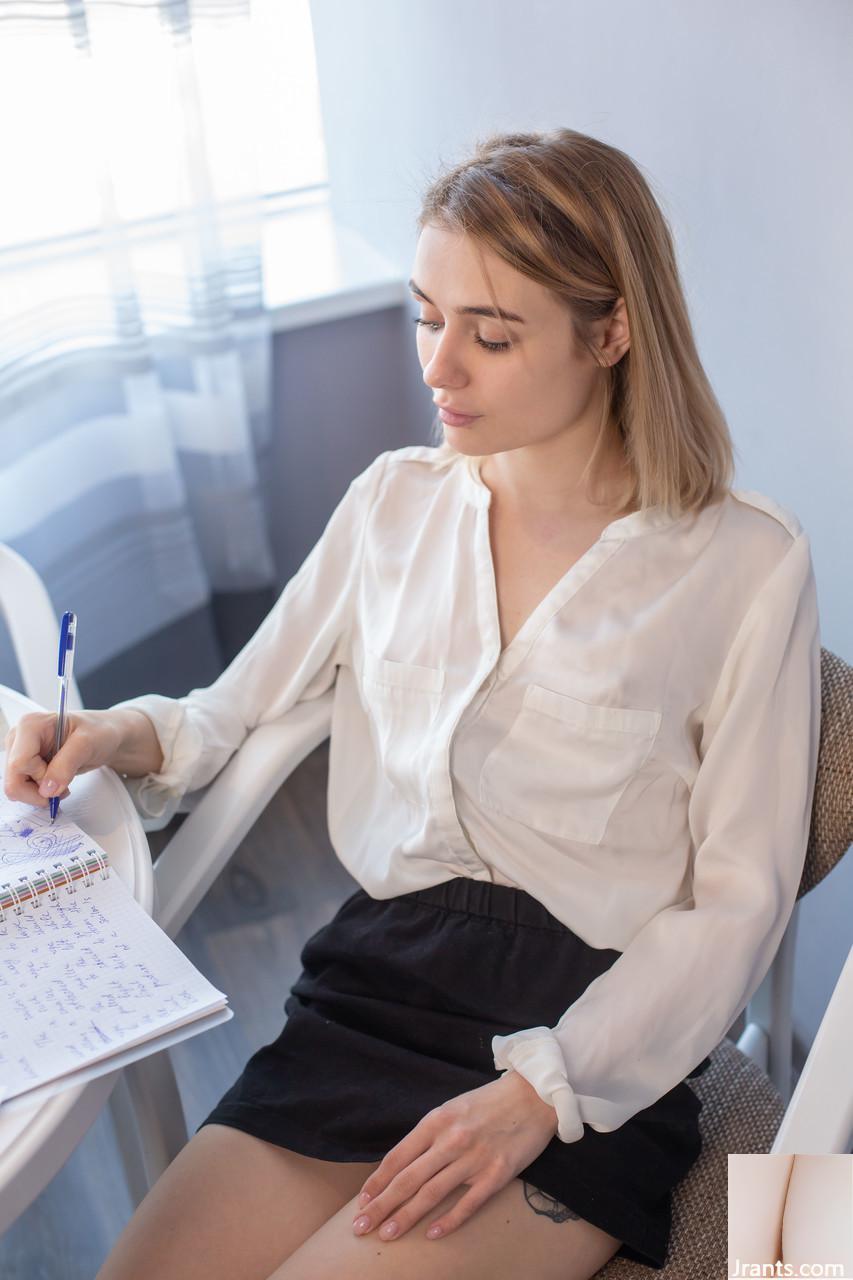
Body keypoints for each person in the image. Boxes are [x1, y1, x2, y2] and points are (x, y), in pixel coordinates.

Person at [3, 128, 821, 1280]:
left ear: (612, 332)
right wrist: (111, 732)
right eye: (426, 317)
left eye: (489, 334)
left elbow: (739, 902)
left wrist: (540, 1093)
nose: (439, 367)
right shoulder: (393, 502)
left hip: (587, 1034)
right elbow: (223, 712)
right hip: (373, 986)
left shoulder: (746, 563)